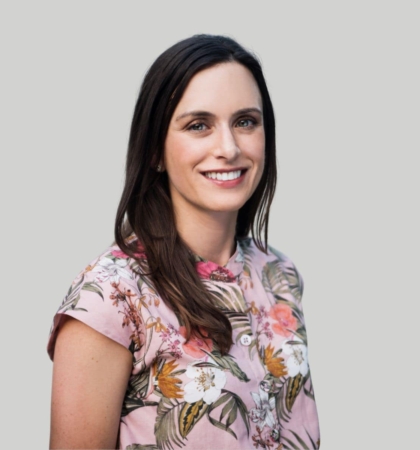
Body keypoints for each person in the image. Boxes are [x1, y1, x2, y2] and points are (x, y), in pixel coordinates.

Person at [47, 34, 320, 450]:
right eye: (198, 125)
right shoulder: (110, 296)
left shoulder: (280, 275)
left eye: (246, 121)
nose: (228, 148)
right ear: (155, 149)